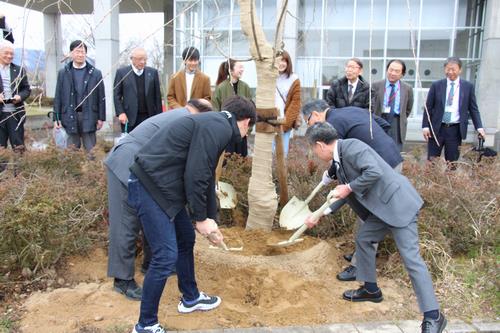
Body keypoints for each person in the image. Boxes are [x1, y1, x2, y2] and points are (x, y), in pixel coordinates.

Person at [128, 95, 256, 333]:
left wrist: (210, 219)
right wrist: (200, 218)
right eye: (249, 129)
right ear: (246, 122)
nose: (246, 135)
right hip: (151, 187)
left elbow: (205, 175)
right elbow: (196, 174)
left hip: (165, 189)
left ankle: (190, 298)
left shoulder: (215, 124)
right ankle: (145, 325)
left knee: (185, 239)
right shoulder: (219, 128)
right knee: (165, 255)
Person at [305, 122, 447, 333]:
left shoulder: (352, 147)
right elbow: (343, 193)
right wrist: (320, 214)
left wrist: (349, 187)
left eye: (313, 150)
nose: (314, 154)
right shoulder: (340, 159)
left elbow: (374, 172)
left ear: (320, 145)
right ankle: (371, 289)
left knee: (412, 260)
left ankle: (433, 316)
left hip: (399, 207)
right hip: (382, 210)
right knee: (364, 239)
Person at [105, 99, 213, 302]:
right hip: (127, 161)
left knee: (152, 214)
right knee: (126, 223)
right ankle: (122, 280)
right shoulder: (185, 120)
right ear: (202, 114)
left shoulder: (182, 117)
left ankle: (150, 263)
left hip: (145, 168)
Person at [302, 99, 402, 281]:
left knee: (371, 213)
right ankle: (361, 252)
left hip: (379, 169)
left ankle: (360, 266)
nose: (309, 125)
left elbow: (337, 154)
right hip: (387, 157)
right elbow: (383, 124)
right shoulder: (348, 111)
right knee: (362, 211)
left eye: (307, 120)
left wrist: (331, 174)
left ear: (315, 114)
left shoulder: (332, 124)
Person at [422, 56, 485, 163]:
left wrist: (479, 127)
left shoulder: (467, 87)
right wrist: (425, 126)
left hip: (455, 130)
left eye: (453, 69)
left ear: (460, 70)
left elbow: (473, 109)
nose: (450, 72)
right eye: (448, 69)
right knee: (432, 162)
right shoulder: (436, 85)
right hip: (437, 128)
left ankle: (449, 180)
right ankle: (430, 180)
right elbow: (428, 107)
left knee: (452, 162)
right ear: (444, 69)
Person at [53, 40, 106, 153]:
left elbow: (101, 97)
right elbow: (58, 96)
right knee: (71, 151)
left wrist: (101, 117)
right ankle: (73, 170)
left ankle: (92, 170)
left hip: (89, 115)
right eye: (77, 51)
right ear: (71, 53)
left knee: (91, 151)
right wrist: (56, 117)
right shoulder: (63, 73)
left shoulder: (95, 73)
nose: (80, 54)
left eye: (83, 52)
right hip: (69, 115)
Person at [113, 47, 162, 133]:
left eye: (145, 59)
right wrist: (121, 113)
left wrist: (159, 117)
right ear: (132, 59)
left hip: (149, 117)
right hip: (129, 117)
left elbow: (157, 97)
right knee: (131, 144)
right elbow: (116, 95)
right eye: (139, 59)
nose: (143, 62)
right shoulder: (122, 73)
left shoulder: (153, 73)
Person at [212, 58, 253, 156]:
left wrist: (249, 129)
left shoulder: (245, 87)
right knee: (227, 160)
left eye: (242, 67)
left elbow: (251, 109)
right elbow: (215, 109)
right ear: (231, 70)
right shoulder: (221, 88)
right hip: (227, 133)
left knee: (241, 160)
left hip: (242, 132)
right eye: (240, 67)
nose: (242, 69)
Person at [0, 40, 31, 171]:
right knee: (1, 148)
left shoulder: (19, 70)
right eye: (6, 53)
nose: (9, 56)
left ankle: (19, 177)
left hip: (15, 114)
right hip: (0, 114)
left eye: (11, 54)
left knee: (18, 147)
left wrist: (20, 97)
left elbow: (26, 89)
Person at [372, 59, 414, 151]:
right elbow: (371, 105)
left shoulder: (407, 88)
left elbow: (408, 108)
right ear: (387, 70)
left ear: (402, 74)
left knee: (395, 152)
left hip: (397, 123)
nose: (393, 73)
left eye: (397, 71)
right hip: (379, 120)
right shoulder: (375, 86)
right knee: (378, 150)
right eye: (391, 70)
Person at [275, 50, 301, 157]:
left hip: (284, 121)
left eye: (284, 61)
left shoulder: (293, 79)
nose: (281, 63)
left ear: (288, 62)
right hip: (269, 120)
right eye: (279, 60)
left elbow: (295, 103)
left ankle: (280, 174)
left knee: (282, 153)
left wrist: (285, 124)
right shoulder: (270, 77)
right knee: (269, 153)